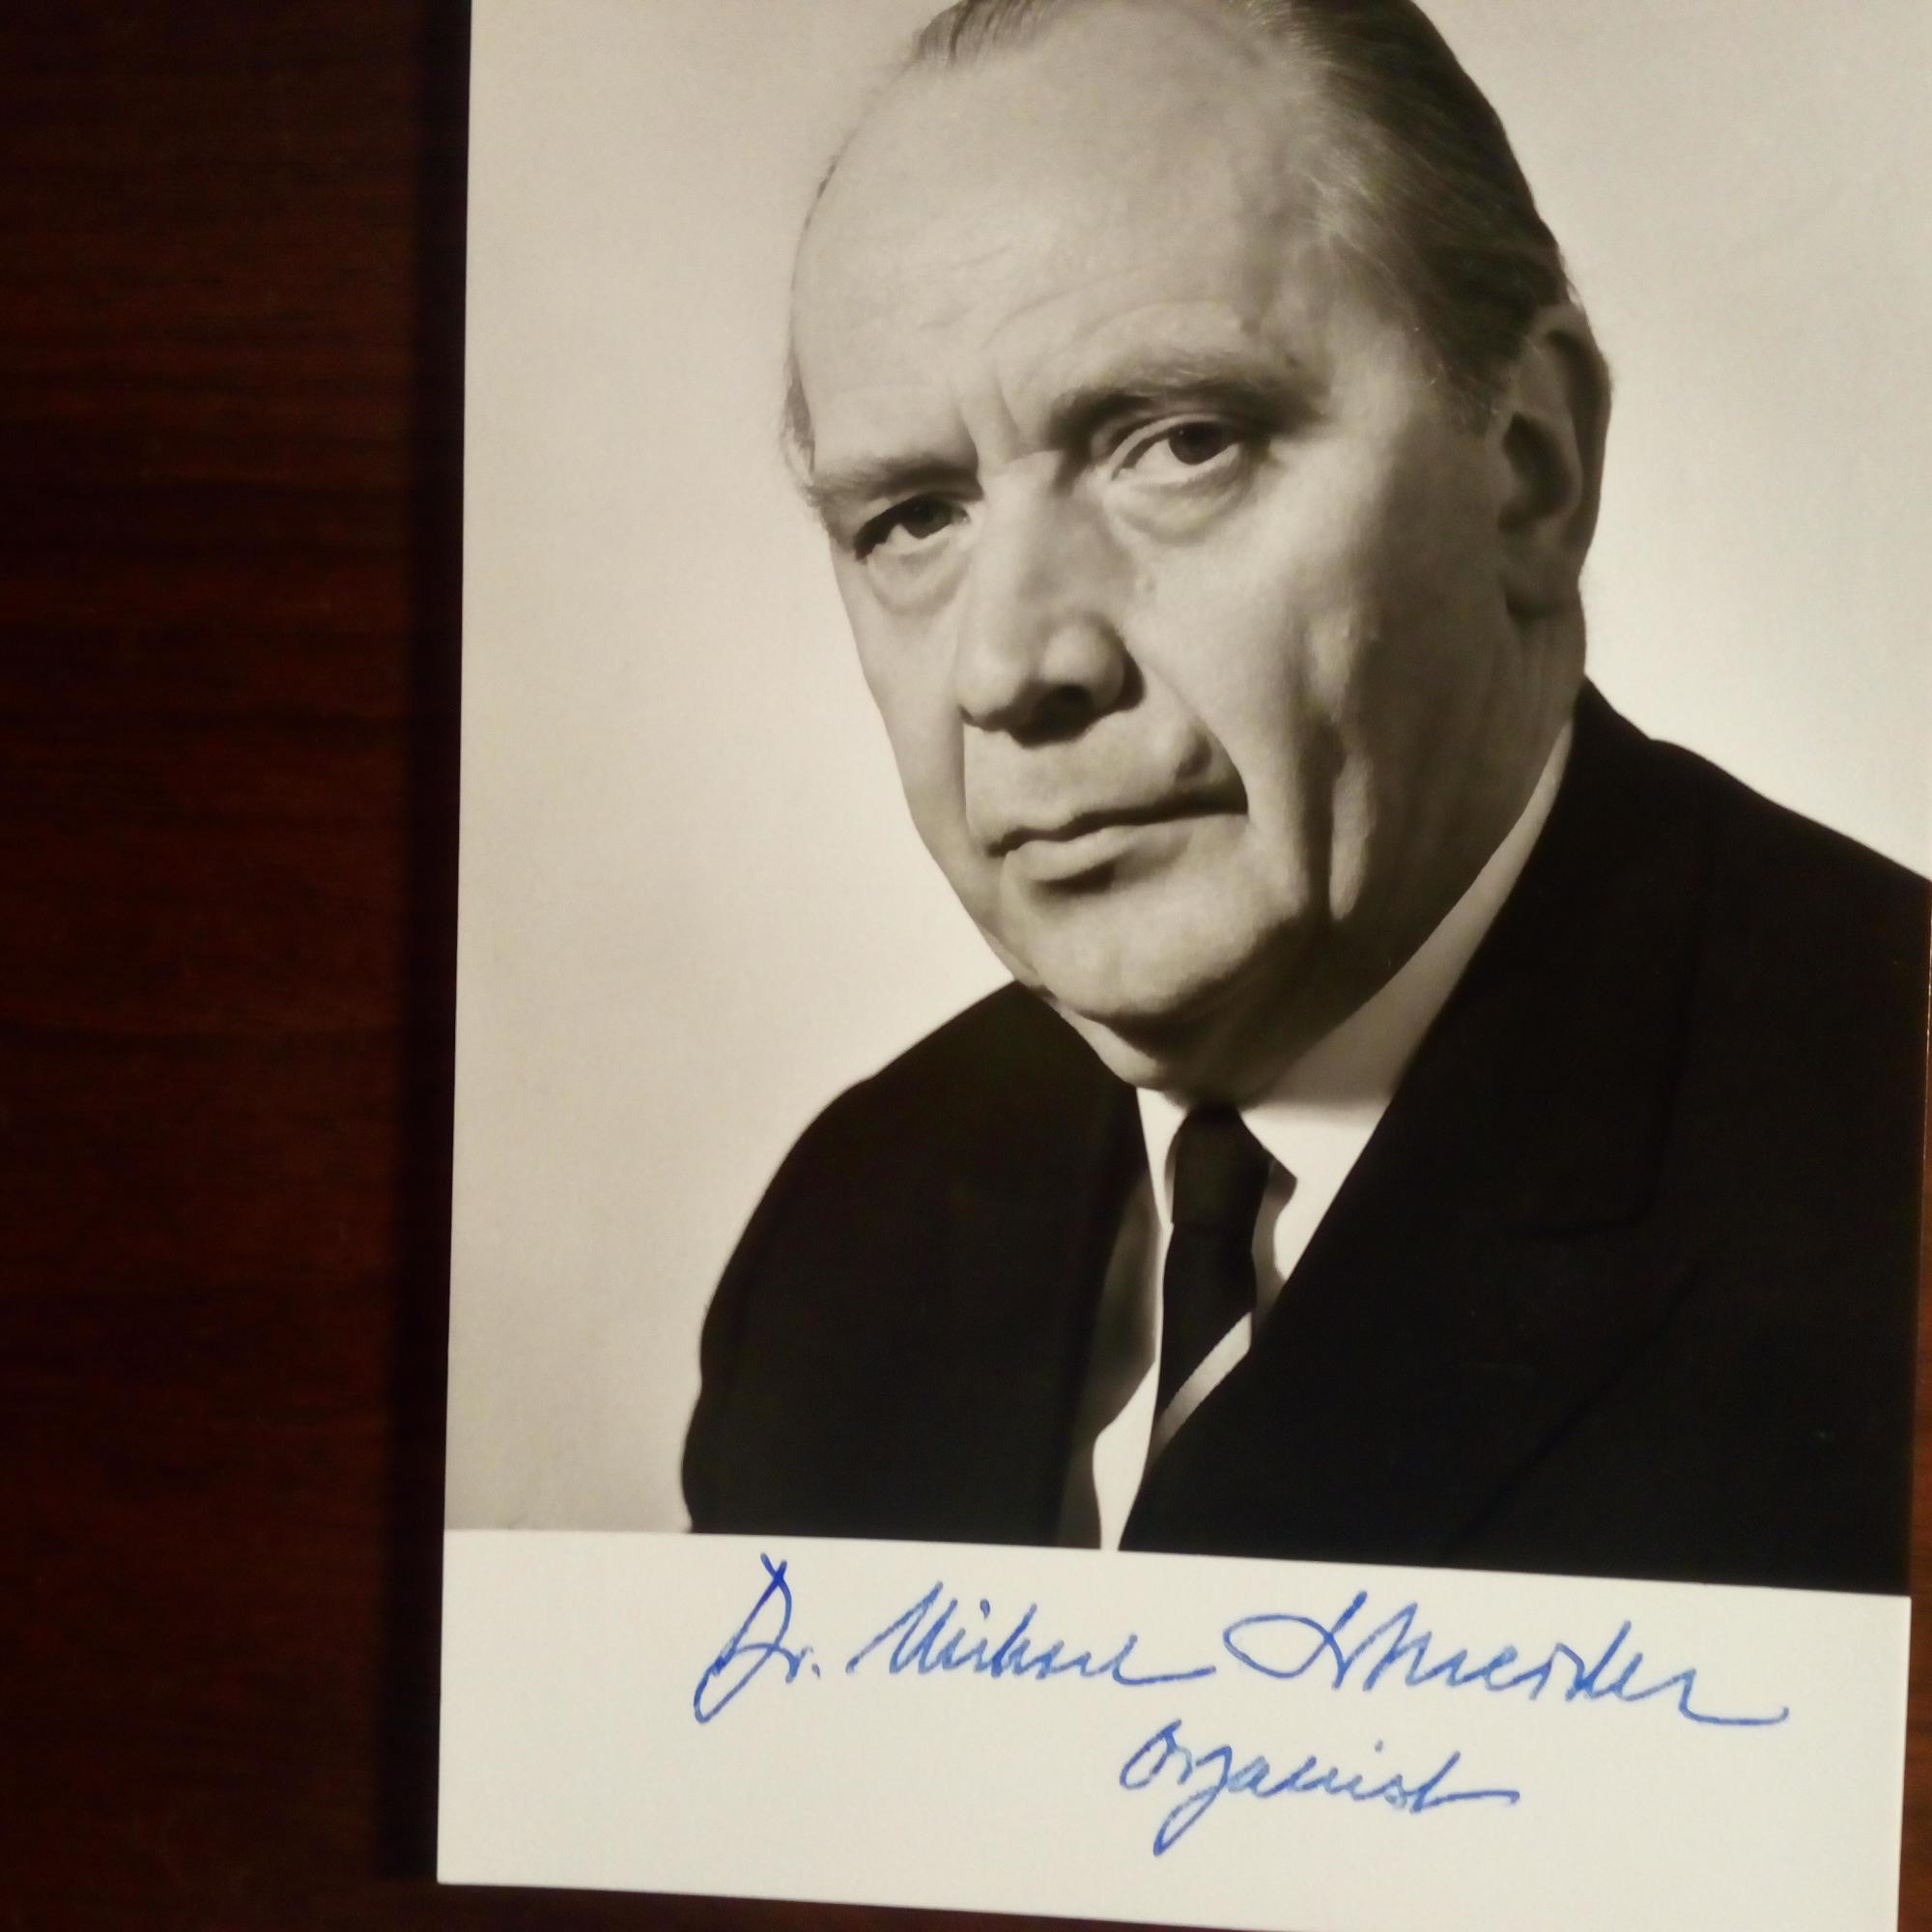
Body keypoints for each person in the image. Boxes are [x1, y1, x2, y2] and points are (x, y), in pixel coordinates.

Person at [683, 0, 1927, 1590]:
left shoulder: (1889, 1151)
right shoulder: (846, 1238)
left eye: (1180, 442)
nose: (1010, 667)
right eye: (913, 519)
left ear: (1530, 468)